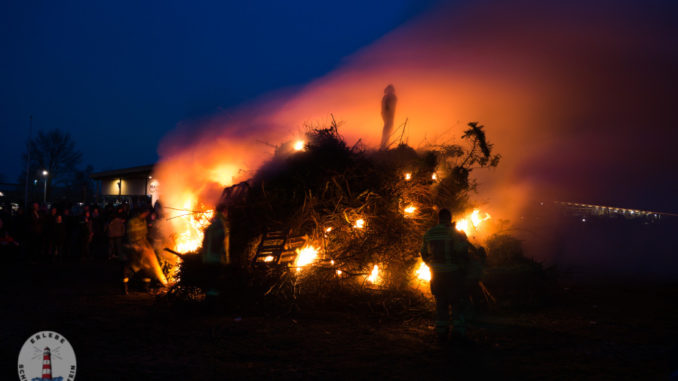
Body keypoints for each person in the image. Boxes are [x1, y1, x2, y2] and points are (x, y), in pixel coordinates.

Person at [420, 208, 473, 344]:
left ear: (438, 219)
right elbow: (460, 251)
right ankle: (458, 331)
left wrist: (432, 266)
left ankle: (442, 331)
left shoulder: (429, 233)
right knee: (457, 303)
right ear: (449, 219)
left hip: (436, 275)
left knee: (441, 303)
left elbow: (424, 254)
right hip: (452, 274)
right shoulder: (453, 233)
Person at [122, 208, 167, 294]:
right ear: (141, 213)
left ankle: (145, 287)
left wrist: (148, 246)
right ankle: (125, 287)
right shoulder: (132, 222)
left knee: (147, 268)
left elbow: (145, 235)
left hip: (143, 247)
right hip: (133, 248)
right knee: (131, 267)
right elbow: (130, 236)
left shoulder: (143, 221)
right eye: (146, 213)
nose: (147, 215)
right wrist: (135, 246)